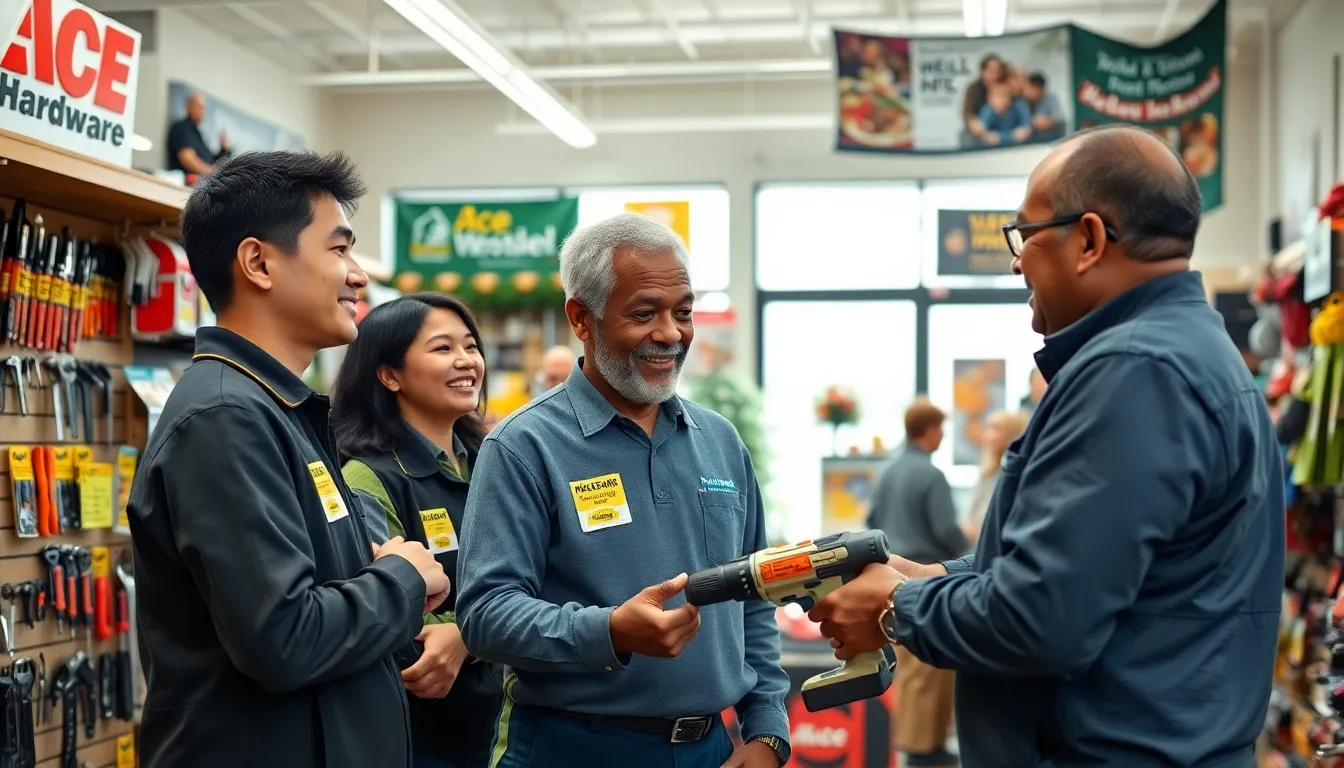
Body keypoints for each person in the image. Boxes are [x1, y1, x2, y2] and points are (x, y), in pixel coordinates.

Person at [809, 124, 1285, 766]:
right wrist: (934, 577)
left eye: (1025, 235)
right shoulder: (1190, 352)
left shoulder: (1135, 371)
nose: (1016, 262)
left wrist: (898, 604)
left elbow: (1043, 619)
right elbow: (1095, 570)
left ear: (1088, 239)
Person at [125, 151, 449, 768]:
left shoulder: (274, 409)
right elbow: (284, 637)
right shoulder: (226, 417)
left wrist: (366, 567)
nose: (357, 276)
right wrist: (401, 578)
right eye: (338, 249)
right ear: (259, 263)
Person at [455, 212, 791, 768]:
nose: (671, 333)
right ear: (581, 319)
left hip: (711, 749)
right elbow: (486, 615)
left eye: (683, 312)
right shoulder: (524, 447)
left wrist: (768, 731)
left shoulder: (720, 441)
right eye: (644, 313)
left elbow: (754, 595)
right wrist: (608, 631)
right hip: (572, 747)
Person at [331, 293, 504, 768]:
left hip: (501, 726)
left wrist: (468, 636)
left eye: (471, 346)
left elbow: (535, 576)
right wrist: (472, 633)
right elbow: (383, 606)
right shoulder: (367, 477)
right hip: (415, 738)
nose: (466, 361)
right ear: (390, 375)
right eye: (443, 348)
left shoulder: (493, 460)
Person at [863, 398, 963, 768]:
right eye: (941, 429)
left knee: (907, 668)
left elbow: (871, 521)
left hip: (890, 576)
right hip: (927, 576)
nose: (943, 436)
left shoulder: (887, 470)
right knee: (931, 667)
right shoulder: (931, 475)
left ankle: (912, 746)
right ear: (929, 430)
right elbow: (945, 529)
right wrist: (973, 556)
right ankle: (926, 748)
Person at [962, 409, 1029, 544]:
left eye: (996, 428)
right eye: (988, 427)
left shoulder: (1017, 475)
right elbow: (972, 515)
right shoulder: (988, 471)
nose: (988, 434)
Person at [167, 92, 230, 177]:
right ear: (189, 107)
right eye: (199, 107)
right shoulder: (182, 127)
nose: (202, 111)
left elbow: (210, 161)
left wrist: (224, 149)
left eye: (203, 108)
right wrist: (213, 175)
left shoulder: (198, 134)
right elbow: (187, 159)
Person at [1023, 73, 1066, 141]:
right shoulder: (1022, 100)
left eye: (1031, 88)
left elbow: (1060, 117)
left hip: (1050, 139)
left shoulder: (1050, 98)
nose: (1028, 91)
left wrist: (1048, 120)